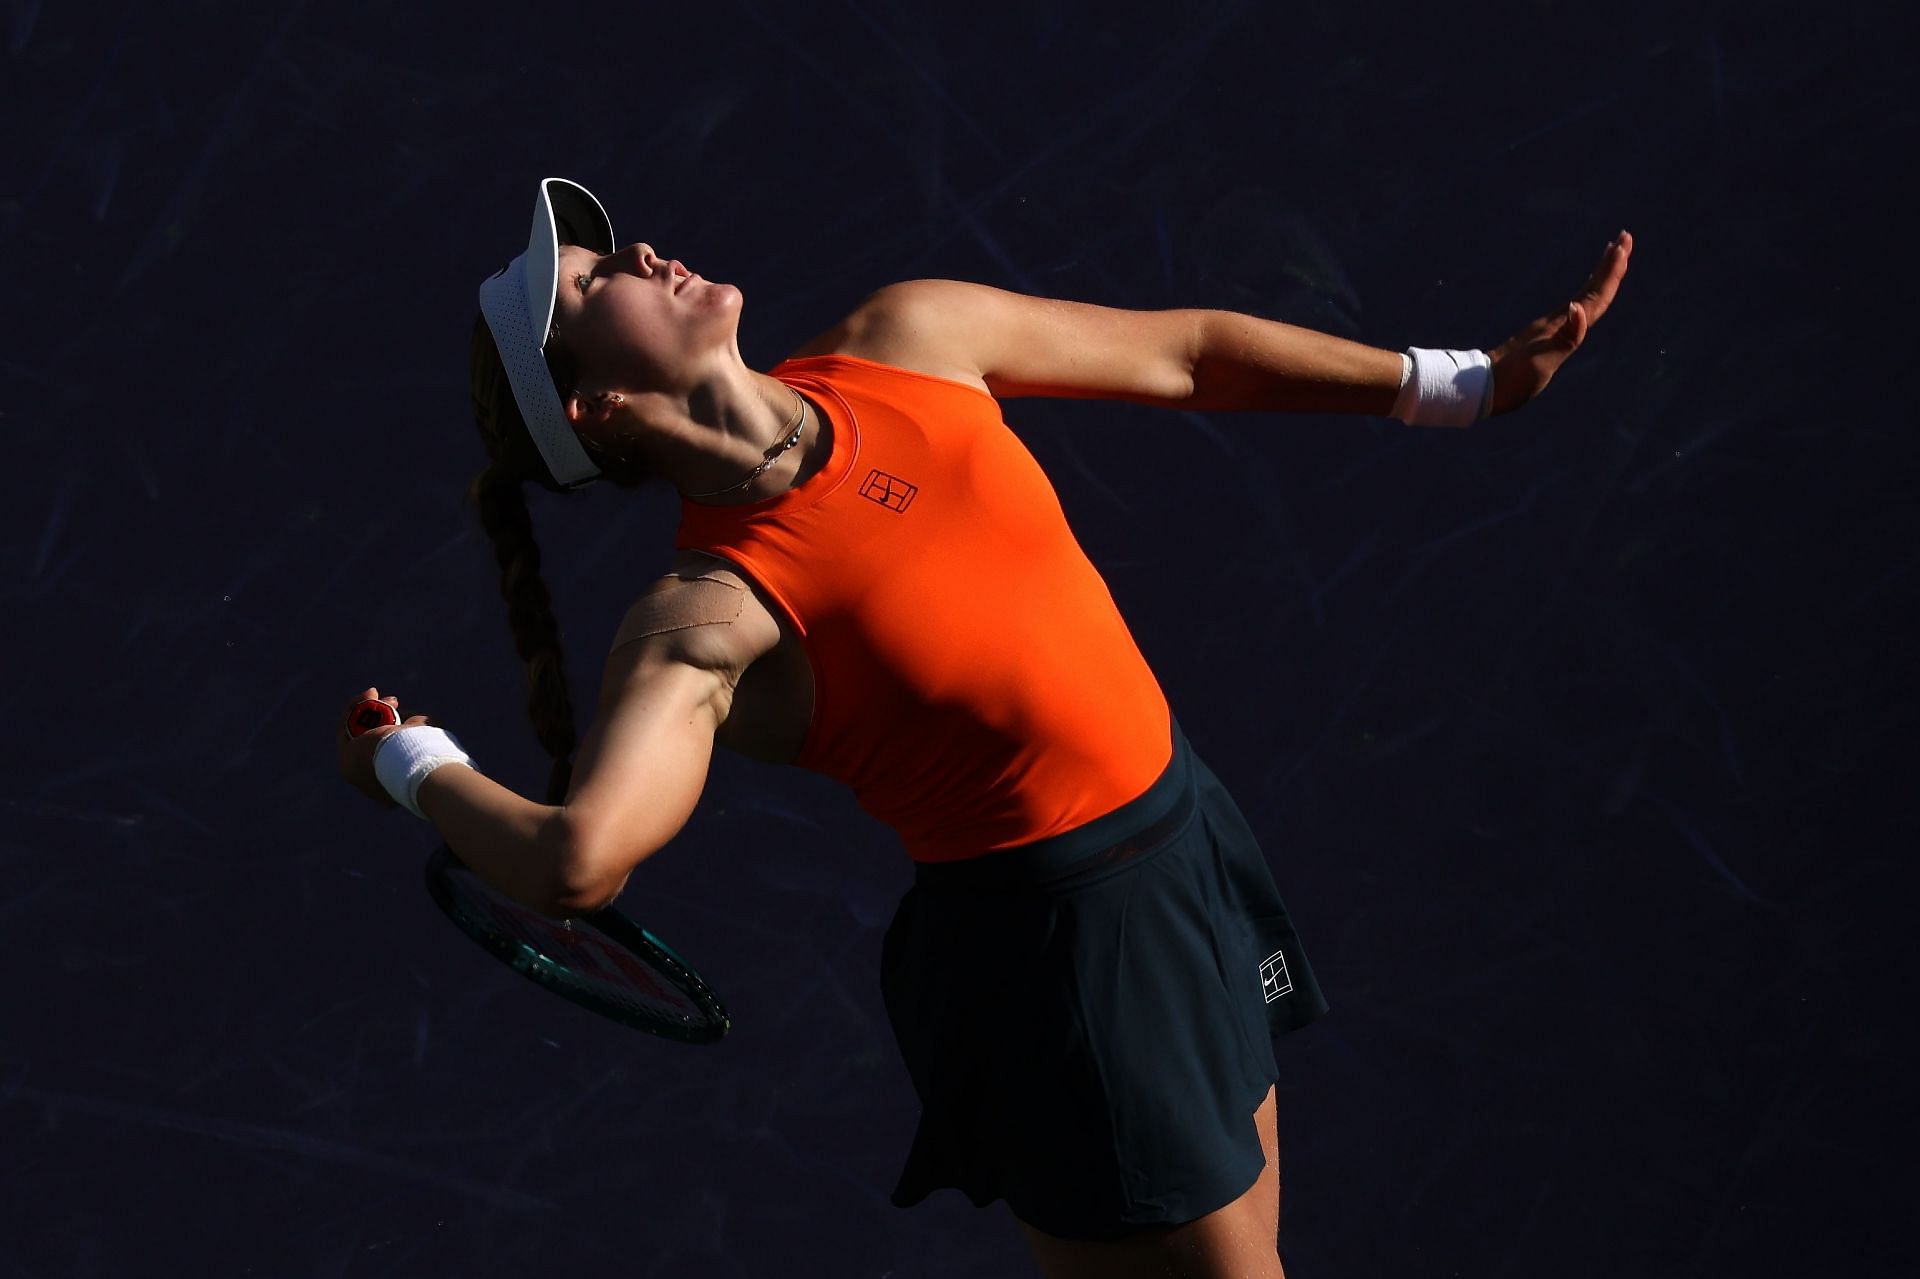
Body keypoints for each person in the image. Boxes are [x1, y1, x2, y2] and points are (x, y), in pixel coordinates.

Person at [337, 177, 1631, 1278]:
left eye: (617, 243)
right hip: (1069, 957)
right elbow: (580, 860)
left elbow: (1187, 352)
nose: (648, 254)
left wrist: (1461, 384)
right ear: (594, 411)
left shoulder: (910, 334)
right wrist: (413, 763)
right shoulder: (710, 617)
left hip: (1180, 834)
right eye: (593, 283)